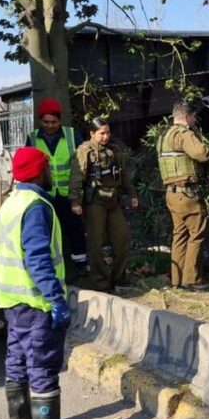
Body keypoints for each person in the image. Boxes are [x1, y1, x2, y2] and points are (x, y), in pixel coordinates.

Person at [0, 146, 88, 419]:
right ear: (38, 171)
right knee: (43, 364)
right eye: (46, 167)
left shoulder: (10, 203)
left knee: (18, 359)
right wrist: (56, 299)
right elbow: (37, 258)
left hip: (12, 300)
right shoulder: (36, 206)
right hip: (37, 302)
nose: (49, 172)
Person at [157, 101, 209, 291]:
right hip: (188, 194)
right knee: (198, 234)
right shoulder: (184, 134)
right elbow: (202, 154)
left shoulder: (164, 136)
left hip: (172, 194)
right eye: (193, 117)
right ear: (186, 117)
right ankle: (192, 280)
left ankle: (177, 279)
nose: (194, 121)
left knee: (180, 236)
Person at [69, 117, 138, 292]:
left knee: (122, 238)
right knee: (96, 244)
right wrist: (75, 201)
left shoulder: (114, 150)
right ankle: (100, 282)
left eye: (108, 132)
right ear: (92, 134)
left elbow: (123, 175)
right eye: (102, 133)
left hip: (113, 201)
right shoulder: (85, 151)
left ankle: (119, 278)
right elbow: (77, 177)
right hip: (95, 202)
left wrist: (132, 194)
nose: (106, 137)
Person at [26, 98, 88, 279]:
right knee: (48, 231)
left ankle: (80, 264)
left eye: (54, 122)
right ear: (40, 121)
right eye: (46, 122)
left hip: (69, 194)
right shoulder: (32, 138)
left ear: (60, 121)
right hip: (45, 194)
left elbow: (82, 162)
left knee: (75, 229)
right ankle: (53, 267)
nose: (50, 126)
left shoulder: (71, 135)